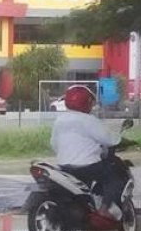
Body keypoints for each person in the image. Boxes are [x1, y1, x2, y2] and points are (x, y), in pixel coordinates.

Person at [50, 85, 122, 220]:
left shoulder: (60, 120)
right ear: (87, 102)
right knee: (114, 177)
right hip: (88, 167)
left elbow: (54, 144)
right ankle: (104, 209)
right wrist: (119, 139)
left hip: (64, 166)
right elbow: (108, 139)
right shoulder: (89, 120)